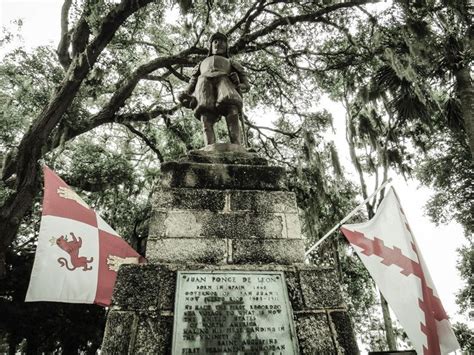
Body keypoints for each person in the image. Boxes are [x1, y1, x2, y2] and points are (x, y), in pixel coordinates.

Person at [178, 32, 250, 146]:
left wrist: (239, 83)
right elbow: (192, 82)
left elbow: (246, 84)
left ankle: (237, 145)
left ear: (226, 46)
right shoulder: (201, 64)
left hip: (225, 83)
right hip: (204, 85)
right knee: (205, 114)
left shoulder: (231, 62)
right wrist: (185, 93)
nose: (218, 44)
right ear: (211, 46)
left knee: (232, 109)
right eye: (215, 41)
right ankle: (209, 146)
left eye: (222, 42)